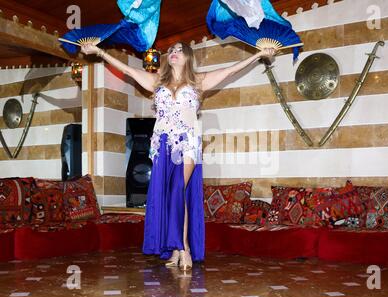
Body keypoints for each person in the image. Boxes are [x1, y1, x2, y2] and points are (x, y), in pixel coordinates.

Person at [80, 42, 276, 270]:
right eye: (171, 49)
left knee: (176, 190)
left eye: (179, 49)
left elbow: (230, 70)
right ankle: (176, 249)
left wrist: (259, 54)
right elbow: (128, 70)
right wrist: (100, 52)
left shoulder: (197, 82)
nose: (173, 52)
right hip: (162, 145)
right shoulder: (157, 83)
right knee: (170, 195)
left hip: (187, 144)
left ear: (188, 57)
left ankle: (184, 247)